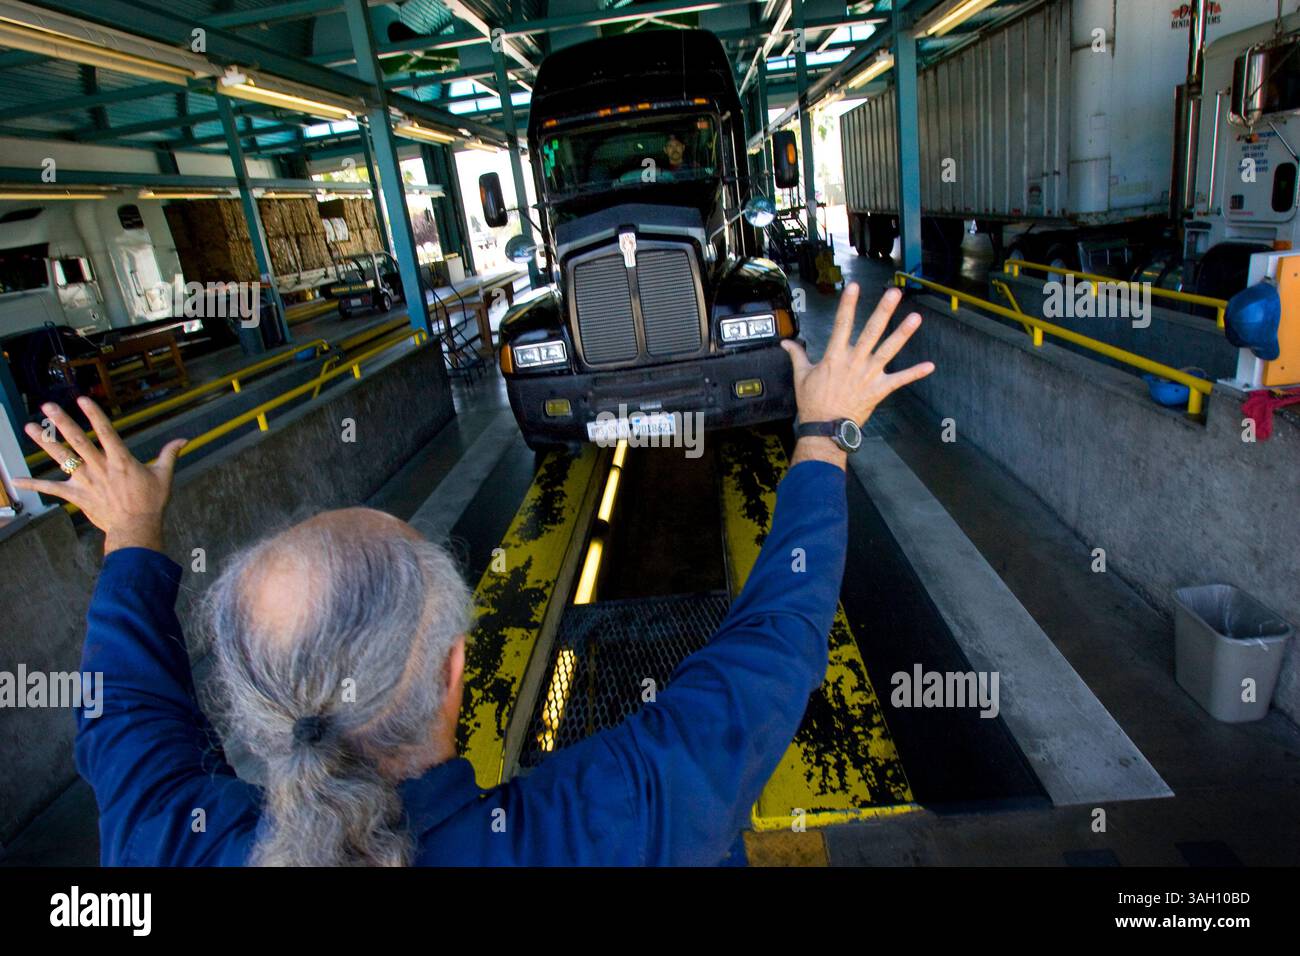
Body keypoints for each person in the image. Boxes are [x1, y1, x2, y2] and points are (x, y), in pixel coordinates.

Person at [15, 284, 933, 866]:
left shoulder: (166, 846)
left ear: (252, 706)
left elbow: (125, 722)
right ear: (457, 674)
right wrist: (825, 430)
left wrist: (129, 534)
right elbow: (773, 646)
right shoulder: (606, 827)